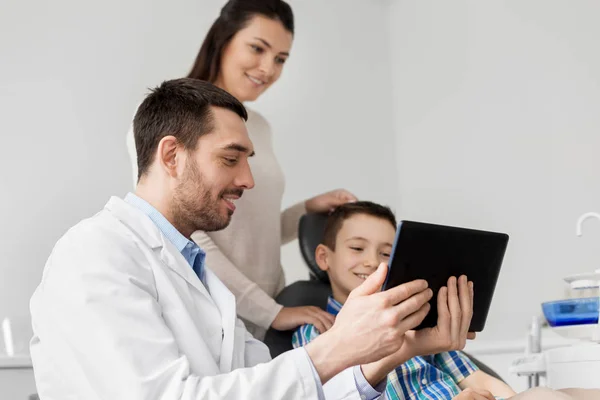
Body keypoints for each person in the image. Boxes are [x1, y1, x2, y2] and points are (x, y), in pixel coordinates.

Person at [31, 78, 476, 399]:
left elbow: (278, 387)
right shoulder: (95, 253)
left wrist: (398, 350)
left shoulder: (199, 275)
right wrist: (334, 346)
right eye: (231, 158)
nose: (247, 180)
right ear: (171, 155)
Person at [126, 0, 356, 340]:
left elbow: (247, 232)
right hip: (215, 309)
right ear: (223, 40)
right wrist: (271, 312)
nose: (268, 69)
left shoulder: (258, 126)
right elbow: (188, 235)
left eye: (280, 59)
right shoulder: (168, 117)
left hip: (268, 309)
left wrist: (305, 210)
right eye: (257, 48)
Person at [291, 201, 517, 399]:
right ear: (323, 257)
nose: (371, 261)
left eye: (386, 254)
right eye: (357, 248)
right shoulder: (319, 333)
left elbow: (475, 378)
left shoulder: (416, 316)